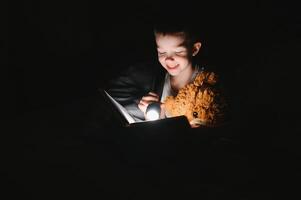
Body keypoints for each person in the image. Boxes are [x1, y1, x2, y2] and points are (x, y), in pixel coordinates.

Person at [105, 18, 230, 127]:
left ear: (194, 49)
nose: (168, 59)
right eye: (162, 52)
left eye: (178, 52)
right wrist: (149, 113)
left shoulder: (207, 87)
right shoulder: (157, 80)